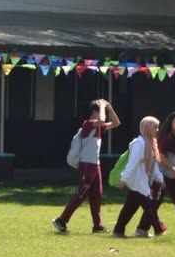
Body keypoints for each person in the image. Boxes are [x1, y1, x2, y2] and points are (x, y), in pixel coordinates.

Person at [52, 98, 120, 234]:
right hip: (87, 164)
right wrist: (101, 106)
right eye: (100, 111)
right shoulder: (88, 124)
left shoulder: (99, 128)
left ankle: (97, 225)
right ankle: (61, 220)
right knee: (82, 193)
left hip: (96, 164)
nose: (103, 114)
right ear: (94, 112)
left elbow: (117, 123)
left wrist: (109, 107)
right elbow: (101, 120)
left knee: (97, 194)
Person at [138, 111, 175, 235]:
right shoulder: (166, 137)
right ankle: (142, 229)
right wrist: (174, 171)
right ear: (170, 122)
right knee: (155, 203)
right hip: (161, 175)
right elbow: (161, 156)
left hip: (173, 175)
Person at [112, 116, 164, 238]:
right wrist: (123, 179)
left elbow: (153, 163)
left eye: (158, 127)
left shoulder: (151, 143)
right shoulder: (139, 144)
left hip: (142, 181)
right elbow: (132, 163)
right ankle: (159, 230)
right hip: (138, 181)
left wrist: (160, 179)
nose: (157, 130)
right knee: (150, 206)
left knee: (129, 208)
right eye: (154, 127)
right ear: (146, 128)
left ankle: (118, 230)